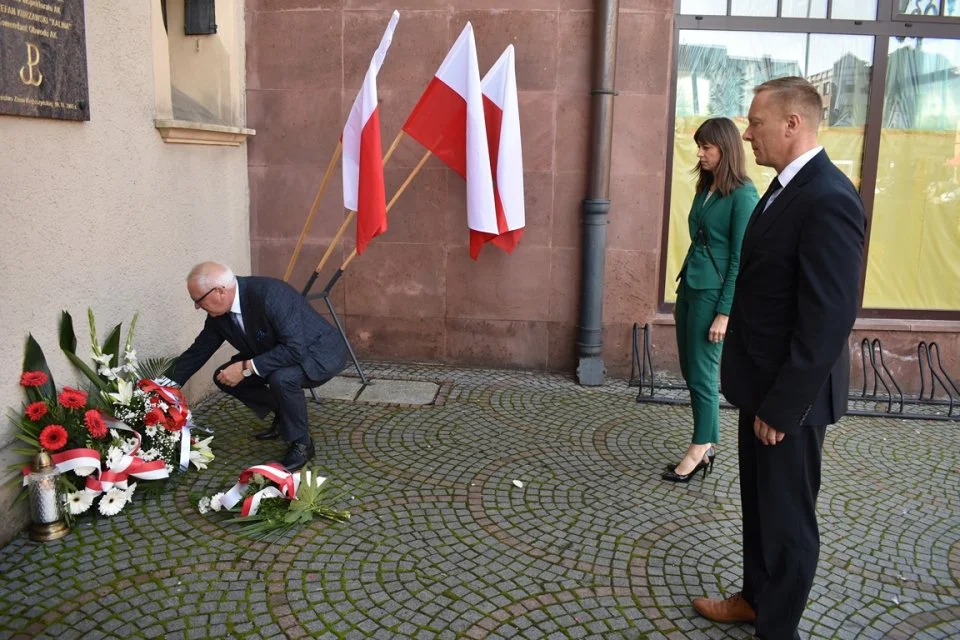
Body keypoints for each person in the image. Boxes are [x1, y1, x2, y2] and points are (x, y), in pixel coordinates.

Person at [692, 77, 865, 639]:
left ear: (793, 124)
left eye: (756, 121)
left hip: (791, 402)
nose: (747, 132)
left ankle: (777, 628)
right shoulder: (782, 187)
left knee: (789, 520)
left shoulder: (829, 197)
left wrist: (785, 407)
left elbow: (828, 318)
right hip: (760, 388)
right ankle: (755, 598)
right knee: (761, 508)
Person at [170, 262, 347, 471]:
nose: (196, 307)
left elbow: (294, 349)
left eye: (197, 300)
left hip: (318, 351)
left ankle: (302, 443)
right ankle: (285, 415)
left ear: (219, 292)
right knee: (223, 376)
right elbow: (198, 352)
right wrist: (163, 386)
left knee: (282, 378)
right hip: (275, 351)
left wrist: (246, 367)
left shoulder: (270, 294)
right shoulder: (219, 315)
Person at [663, 117, 758, 483]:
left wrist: (725, 313)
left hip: (713, 295)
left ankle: (700, 446)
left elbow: (740, 259)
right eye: (699, 146)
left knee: (702, 374)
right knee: (690, 369)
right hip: (691, 286)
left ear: (726, 149)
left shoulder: (743, 194)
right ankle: (708, 442)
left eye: (707, 147)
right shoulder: (708, 187)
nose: (700, 153)